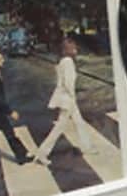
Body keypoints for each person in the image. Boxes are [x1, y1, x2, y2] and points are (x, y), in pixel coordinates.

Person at [29, 38, 95, 166]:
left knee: (79, 122)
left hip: (66, 98)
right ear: (68, 50)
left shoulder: (62, 61)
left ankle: (87, 146)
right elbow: (68, 83)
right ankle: (42, 153)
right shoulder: (68, 62)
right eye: (73, 47)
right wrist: (73, 96)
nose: (76, 49)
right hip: (68, 99)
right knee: (59, 128)